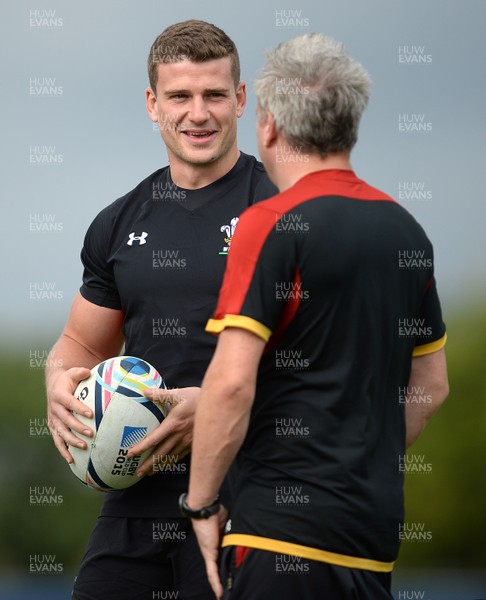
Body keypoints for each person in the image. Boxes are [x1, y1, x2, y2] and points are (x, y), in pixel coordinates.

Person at [180, 33, 449, 599]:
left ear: (270, 123)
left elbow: (229, 385)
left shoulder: (271, 222)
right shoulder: (407, 232)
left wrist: (202, 504)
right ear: (350, 124)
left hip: (280, 540)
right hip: (371, 540)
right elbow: (432, 385)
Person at [45, 20, 277, 600]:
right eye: (180, 96)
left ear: (241, 100)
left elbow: (338, 361)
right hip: (137, 494)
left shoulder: (287, 211)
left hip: (252, 498)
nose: (198, 113)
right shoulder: (119, 222)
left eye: (214, 95)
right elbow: (82, 343)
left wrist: (222, 408)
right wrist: (55, 379)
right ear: (153, 104)